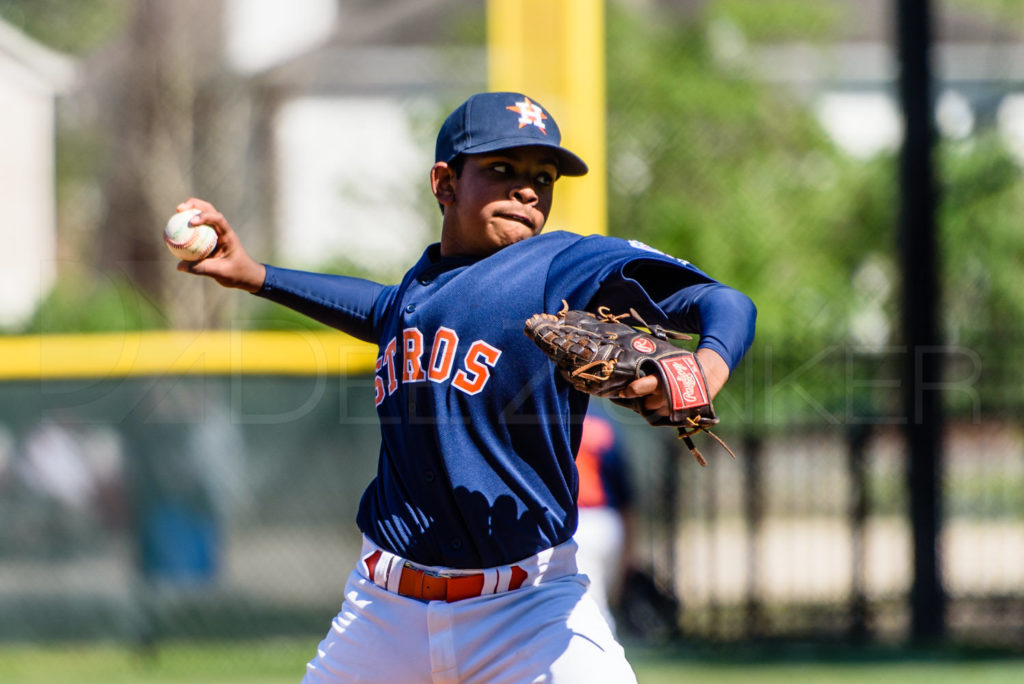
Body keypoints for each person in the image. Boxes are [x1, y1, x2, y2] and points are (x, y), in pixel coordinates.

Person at [174, 91, 756, 683]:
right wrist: (256, 276)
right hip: (384, 610)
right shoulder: (417, 291)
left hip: (528, 610)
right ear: (444, 183)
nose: (528, 190)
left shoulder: (562, 265)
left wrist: (707, 365)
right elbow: (377, 309)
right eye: (503, 170)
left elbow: (724, 302)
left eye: (543, 178)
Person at [573, 402, 634, 636]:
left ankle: (606, 659)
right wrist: (630, 547)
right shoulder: (604, 420)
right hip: (608, 523)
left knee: (591, 606)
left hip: (575, 523)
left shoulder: (549, 412)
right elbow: (626, 493)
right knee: (598, 598)